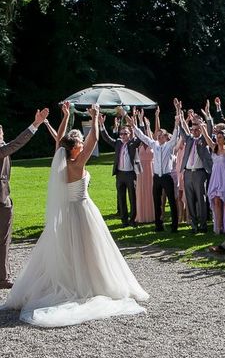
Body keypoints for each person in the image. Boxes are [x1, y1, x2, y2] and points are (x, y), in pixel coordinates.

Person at [3, 103, 148, 327]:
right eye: (80, 143)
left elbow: (61, 137)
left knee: (70, 248)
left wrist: (66, 116)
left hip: (67, 212)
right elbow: (95, 140)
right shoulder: (78, 164)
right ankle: (88, 284)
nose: (82, 143)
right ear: (75, 148)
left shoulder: (60, 160)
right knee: (89, 248)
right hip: (82, 209)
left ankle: (72, 279)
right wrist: (96, 116)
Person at [0, 108, 50, 289]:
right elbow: (16, 143)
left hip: (4, 199)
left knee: (4, 239)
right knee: (3, 240)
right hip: (1, 201)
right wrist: (35, 124)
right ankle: (3, 278)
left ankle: (3, 276)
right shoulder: (2, 149)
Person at [128, 110, 181, 232]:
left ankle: (174, 226)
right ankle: (158, 225)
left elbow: (175, 136)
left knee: (172, 201)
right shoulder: (154, 144)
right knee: (156, 201)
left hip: (167, 177)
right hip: (157, 177)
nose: (159, 137)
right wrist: (133, 126)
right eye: (158, 135)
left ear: (165, 137)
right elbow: (142, 136)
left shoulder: (169, 145)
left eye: (161, 135)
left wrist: (177, 123)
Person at [99, 112, 142, 227]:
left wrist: (138, 124)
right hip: (120, 174)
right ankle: (124, 220)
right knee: (121, 198)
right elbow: (106, 138)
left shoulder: (133, 143)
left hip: (130, 174)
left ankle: (133, 219)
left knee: (132, 198)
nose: (123, 136)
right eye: (121, 134)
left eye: (125, 134)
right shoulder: (118, 143)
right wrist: (101, 125)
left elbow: (142, 136)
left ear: (129, 134)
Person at [178, 101, 213, 233]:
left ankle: (203, 224)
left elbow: (209, 130)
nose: (194, 131)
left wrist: (207, 115)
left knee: (201, 198)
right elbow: (181, 129)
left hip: (200, 173)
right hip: (187, 173)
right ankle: (193, 224)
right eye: (193, 129)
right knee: (189, 199)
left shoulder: (204, 140)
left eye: (197, 129)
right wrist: (179, 112)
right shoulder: (189, 140)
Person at [202, 120, 225, 234]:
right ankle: (219, 226)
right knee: (217, 201)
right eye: (217, 137)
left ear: (224, 138)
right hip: (215, 178)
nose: (218, 139)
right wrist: (202, 125)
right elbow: (207, 137)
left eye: (220, 137)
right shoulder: (214, 148)